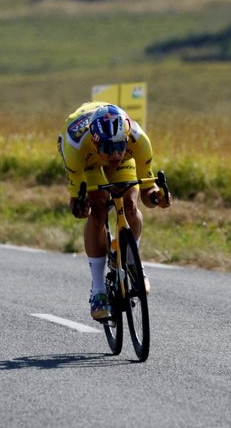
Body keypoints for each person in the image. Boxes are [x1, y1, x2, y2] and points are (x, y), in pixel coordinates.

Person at [58, 102, 171, 320]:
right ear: (95, 140)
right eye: (108, 148)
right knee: (98, 208)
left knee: (130, 205)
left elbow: (148, 192)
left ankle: (132, 260)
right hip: (87, 161)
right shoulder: (76, 147)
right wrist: (81, 206)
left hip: (110, 150)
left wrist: (158, 197)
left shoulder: (138, 141)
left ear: (126, 136)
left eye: (120, 145)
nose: (115, 155)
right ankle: (98, 291)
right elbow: (76, 205)